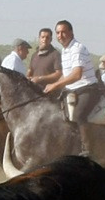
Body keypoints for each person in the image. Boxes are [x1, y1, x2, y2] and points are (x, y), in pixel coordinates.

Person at [43, 20, 101, 155]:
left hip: (87, 88)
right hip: (72, 89)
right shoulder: (65, 50)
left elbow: (77, 74)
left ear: (71, 32)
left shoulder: (77, 48)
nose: (60, 35)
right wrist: (52, 87)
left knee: (79, 114)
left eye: (63, 32)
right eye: (57, 33)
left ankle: (87, 150)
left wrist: (56, 84)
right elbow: (66, 75)